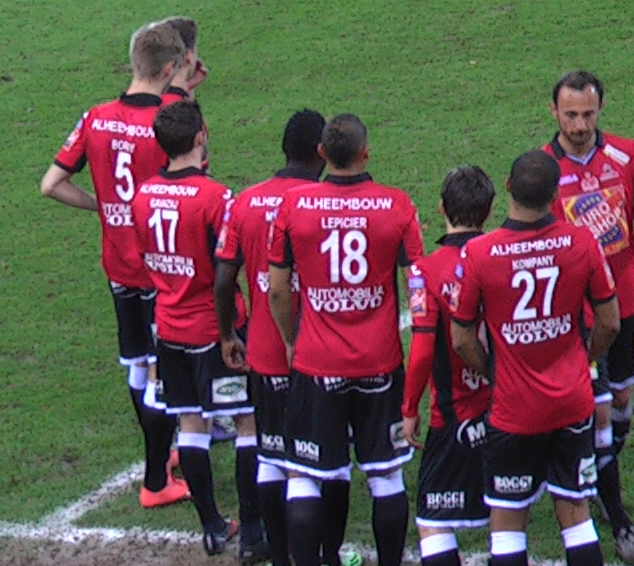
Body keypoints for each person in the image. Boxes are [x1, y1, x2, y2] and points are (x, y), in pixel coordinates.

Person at [39, 21, 191, 509]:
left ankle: (160, 460)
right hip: (163, 268)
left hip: (118, 264)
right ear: (169, 68)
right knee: (166, 373)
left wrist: (102, 206)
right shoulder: (171, 120)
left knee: (138, 364)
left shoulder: (96, 117)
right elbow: (191, 186)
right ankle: (157, 478)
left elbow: (51, 184)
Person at [450, 150, 621, 566]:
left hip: (513, 408)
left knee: (508, 524)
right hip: (572, 402)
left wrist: (493, 372)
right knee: (576, 515)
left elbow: (460, 338)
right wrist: (583, 358)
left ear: (508, 187)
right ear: (555, 194)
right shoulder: (581, 242)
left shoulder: (479, 253)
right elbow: (610, 322)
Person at [267, 114, 425, 566]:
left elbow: (277, 290)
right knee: (385, 477)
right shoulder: (397, 206)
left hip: (316, 362)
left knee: (304, 476)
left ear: (322, 153)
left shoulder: (294, 206)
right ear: (365, 152)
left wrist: (291, 339)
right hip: (379, 362)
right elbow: (418, 288)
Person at [543, 71, 634, 564]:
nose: (580, 124)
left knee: (621, 400)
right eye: (570, 115)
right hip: (577, 315)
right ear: (554, 112)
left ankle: (594, 472)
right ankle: (620, 521)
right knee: (599, 412)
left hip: (626, 305)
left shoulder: (627, 156)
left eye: (588, 114)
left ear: (600, 110)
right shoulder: (541, 170)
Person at [131, 100, 256, 554]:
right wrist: (228, 334)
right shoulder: (216, 197)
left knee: (190, 425)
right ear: (201, 135)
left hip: (168, 329)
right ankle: (253, 527)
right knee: (246, 421)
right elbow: (227, 267)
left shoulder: (143, 195)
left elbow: (147, 256)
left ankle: (212, 527)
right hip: (212, 330)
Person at [216, 108, 328, 566]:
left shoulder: (246, 201)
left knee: (270, 451)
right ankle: (317, 552)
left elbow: (224, 278)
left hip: (262, 347)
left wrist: (227, 334)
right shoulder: (324, 202)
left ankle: (268, 546)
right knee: (312, 460)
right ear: (322, 151)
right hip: (314, 348)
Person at [401, 166, 499, 566]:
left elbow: (423, 350)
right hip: (504, 411)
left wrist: (409, 408)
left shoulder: (425, 272)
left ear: (441, 207)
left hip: (452, 415)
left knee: (433, 520)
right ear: (489, 210)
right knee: (508, 517)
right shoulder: (502, 258)